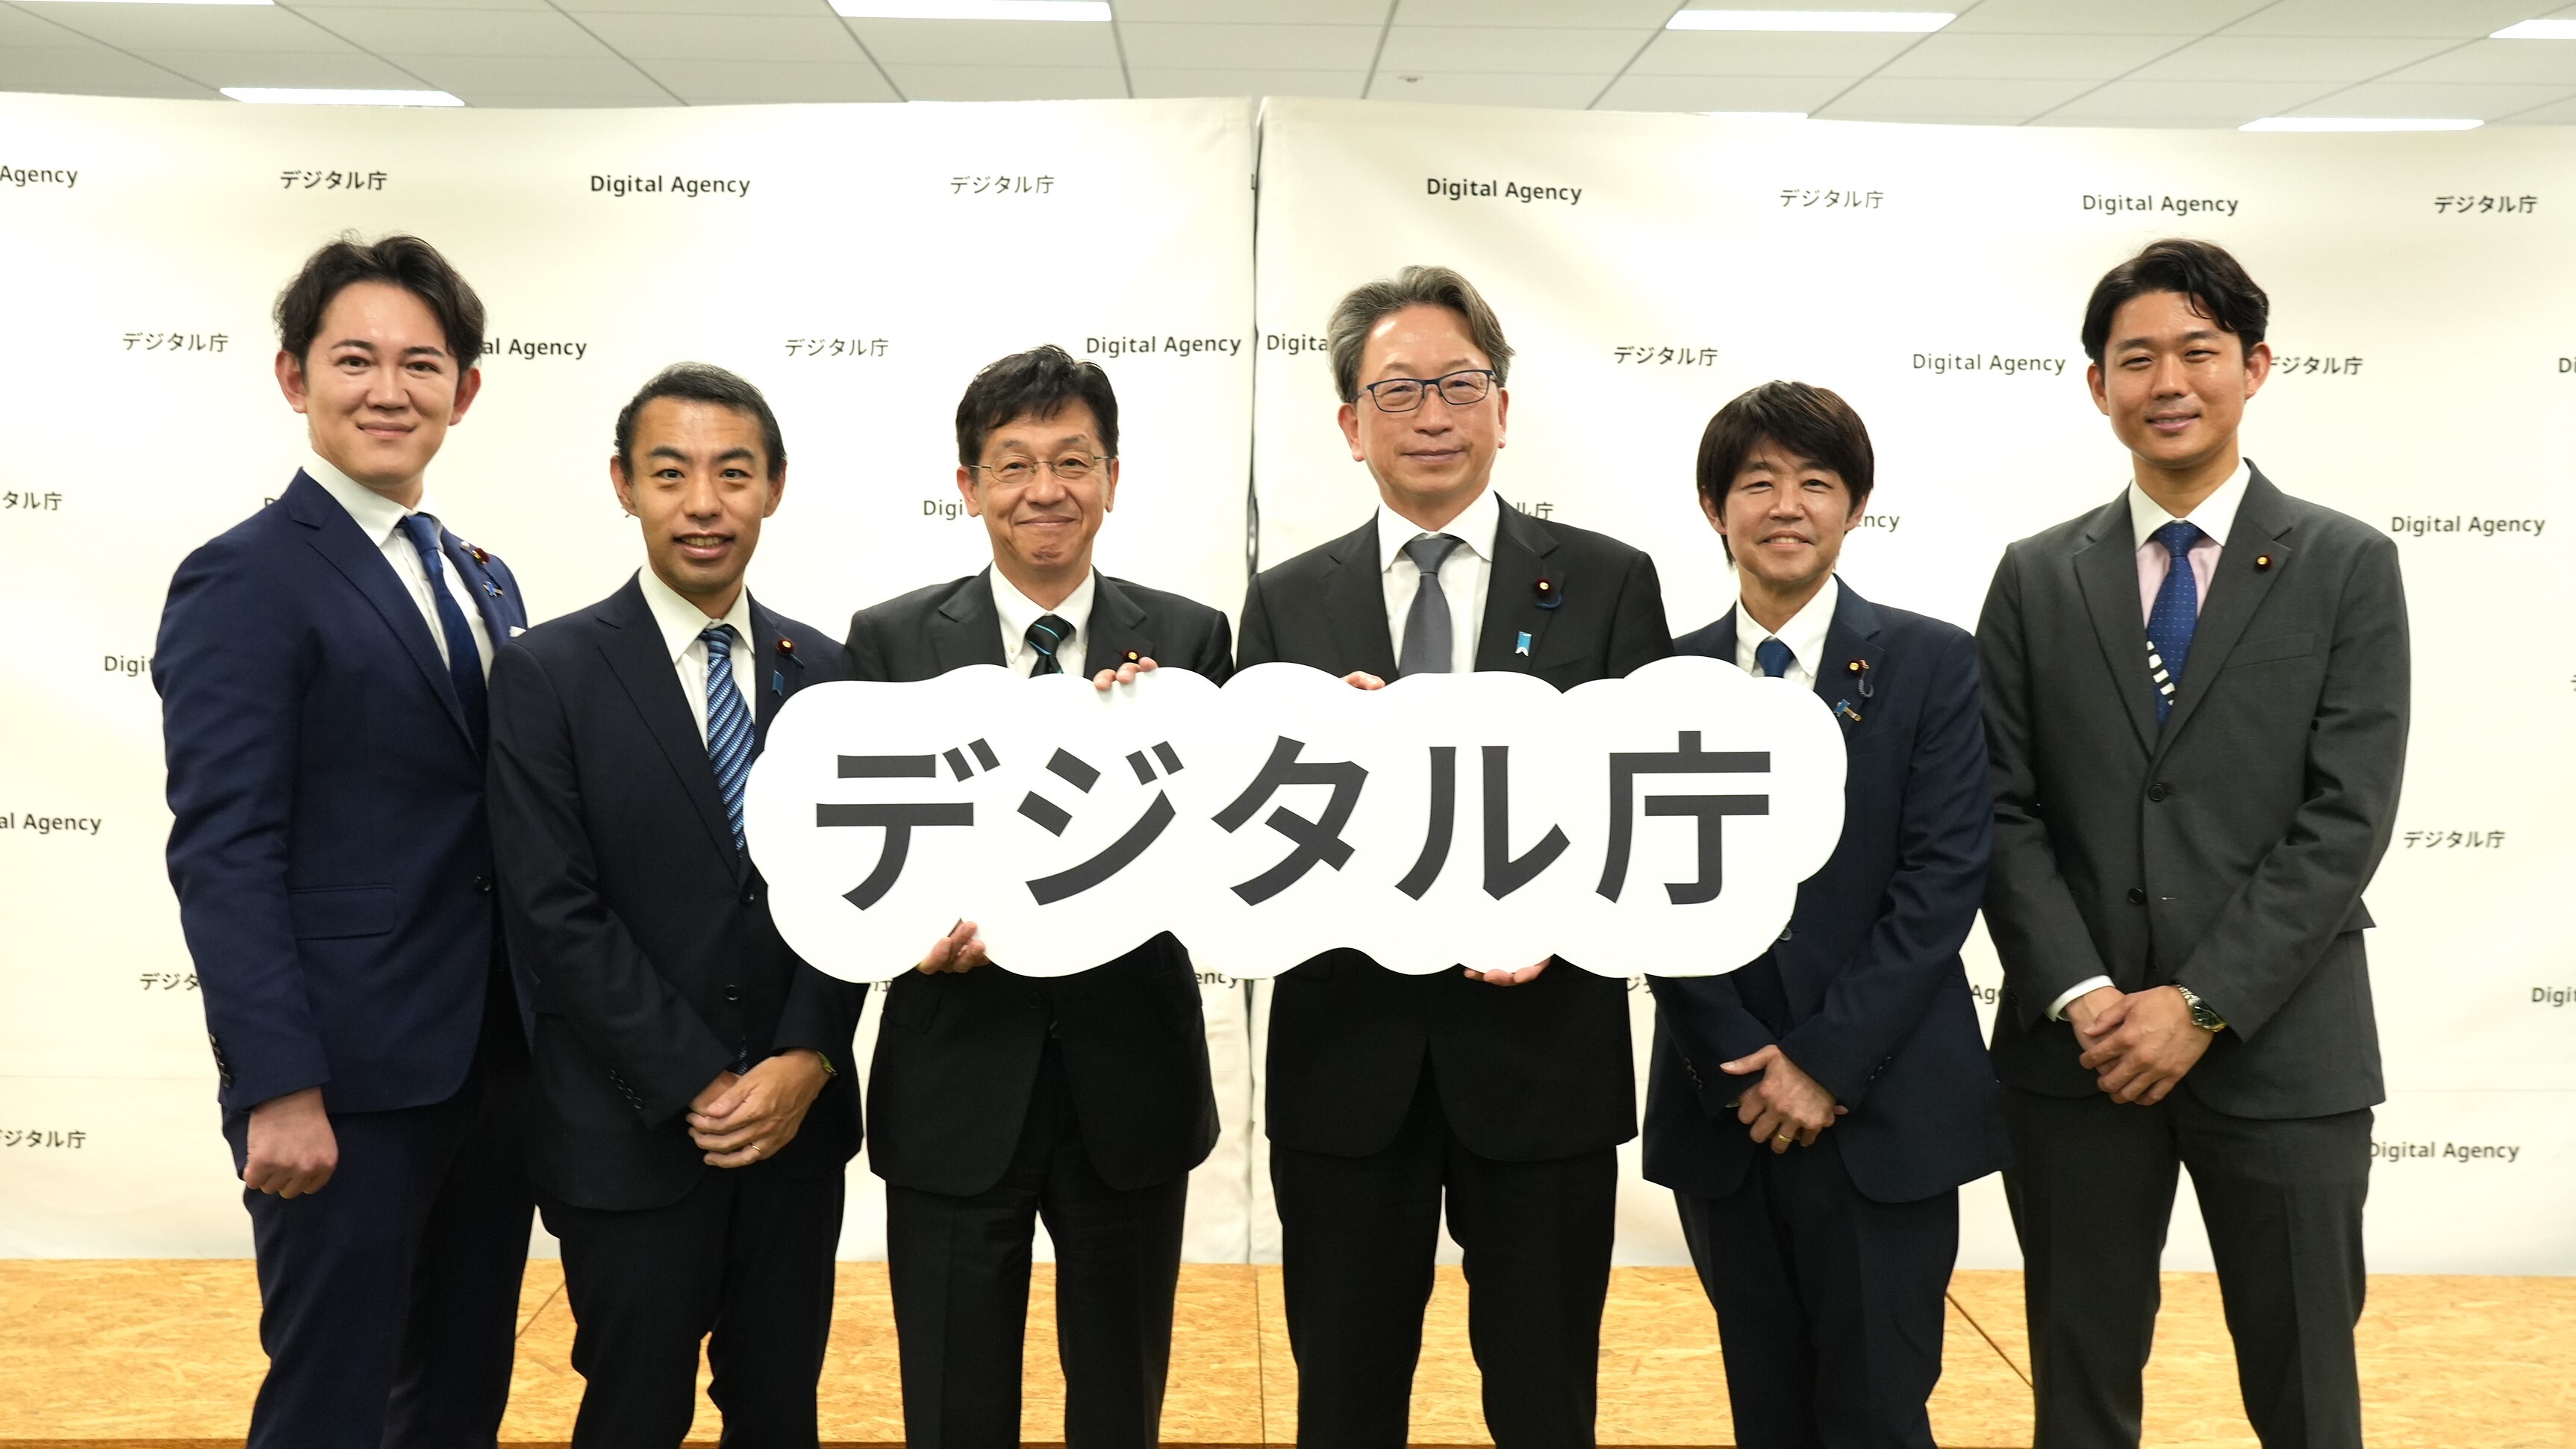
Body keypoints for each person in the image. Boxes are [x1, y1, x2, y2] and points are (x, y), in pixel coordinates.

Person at [1978, 239, 2409, 1449]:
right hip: (2082, 1056)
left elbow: (2347, 816)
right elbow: (2001, 811)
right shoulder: (2034, 579)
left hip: (2284, 1051)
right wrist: (2085, 993)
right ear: (2097, 385)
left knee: (2307, 1385)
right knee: (2080, 1378)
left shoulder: (2346, 565)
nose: (2168, 380)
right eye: (2136, 358)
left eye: (2198, 352)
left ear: (2255, 366)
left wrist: (2202, 1002)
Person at [1236, 265, 1671, 1448]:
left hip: (1542, 1065)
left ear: (1502, 407)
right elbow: (1254, 840)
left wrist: (1562, 921)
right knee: (1344, 1402)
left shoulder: (1609, 581)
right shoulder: (1283, 605)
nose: (1431, 414)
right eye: (1398, 390)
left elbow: (1638, 818)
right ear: (1350, 425)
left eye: (1458, 384)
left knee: (1543, 1404)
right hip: (1348, 1067)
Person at [153, 234, 531, 1447]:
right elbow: (226, 850)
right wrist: (277, 1086)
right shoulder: (245, 579)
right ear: (291, 377)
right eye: (353, 359)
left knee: (460, 1393)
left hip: (489, 1072)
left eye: (421, 365)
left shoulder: (483, 576)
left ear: (463, 392)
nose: (388, 390)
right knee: (331, 1400)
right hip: (343, 1088)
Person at [846, 343, 1229, 1449]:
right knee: (955, 1408)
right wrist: (910, 933)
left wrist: (1160, 741)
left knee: (1120, 1404)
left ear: (1113, 475)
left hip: (1131, 1079)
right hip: (956, 1072)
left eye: (1073, 460)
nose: (1044, 490)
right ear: (967, 486)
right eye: (1014, 465)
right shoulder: (892, 641)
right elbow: (863, 850)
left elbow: (1222, 854)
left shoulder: (1189, 640)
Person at [487, 364, 866, 1447]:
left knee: (780, 1411)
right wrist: (698, 1077)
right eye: (671, 473)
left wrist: (805, 1059)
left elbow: (859, 890)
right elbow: (554, 911)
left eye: (733, 473)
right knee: (631, 1414)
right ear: (624, 485)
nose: (704, 503)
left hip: (796, 1136)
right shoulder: (547, 672)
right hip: (631, 1130)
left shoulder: (830, 673)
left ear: (773, 488)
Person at [1646, 381, 2009, 1449]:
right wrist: (1749, 1057)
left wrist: (1826, 1064)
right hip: (1731, 1111)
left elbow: (1942, 878)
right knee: (1767, 1413)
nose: (1787, 505)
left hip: (1884, 1112)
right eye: (1757, 481)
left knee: (1878, 1416)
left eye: (1817, 481)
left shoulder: (1931, 662)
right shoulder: (1664, 679)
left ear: (1856, 508)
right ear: (1715, 507)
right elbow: (1649, 891)